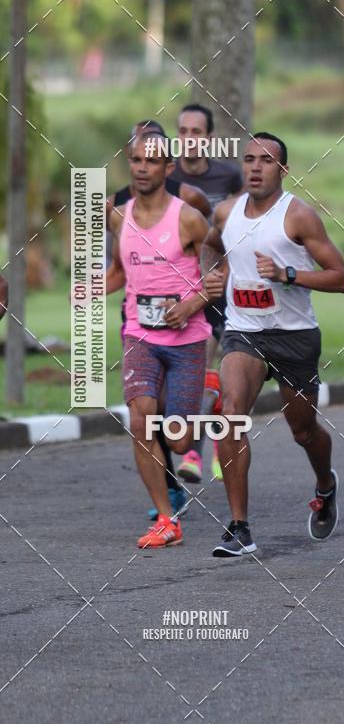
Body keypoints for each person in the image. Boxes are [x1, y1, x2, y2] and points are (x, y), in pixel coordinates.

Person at [201, 131, 344, 557]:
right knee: (230, 415)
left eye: (266, 160)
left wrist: (288, 275)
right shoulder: (226, 213)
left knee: (303, 430)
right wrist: (213, 275)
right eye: (249, 159)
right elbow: (212, 248)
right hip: (243, 331)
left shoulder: (299, 216)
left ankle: (325, 484)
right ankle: (239, 527)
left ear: (283, 170)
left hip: (295, 336)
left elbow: (340, 278)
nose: (254, 167)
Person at [107, 131, 211, 548]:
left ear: (169, 168)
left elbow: (218, 276)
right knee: (140, 420)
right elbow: (121, 272)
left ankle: (210, 398)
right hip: (139, 334)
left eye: (151, 162)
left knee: (179, 439)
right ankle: (166, 520)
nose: (142, 168)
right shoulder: (120, 216)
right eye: (135, 161)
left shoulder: (188, 218)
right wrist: (92, 287)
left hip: (187, 340)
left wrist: (188, 305)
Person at [171, 104, 242, 486]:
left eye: (196, 132)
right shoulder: (170, 177)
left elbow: (249, 220)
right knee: (198, 371)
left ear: (209, 138)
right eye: (183, 131)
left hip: (221, 283)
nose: (189, 139)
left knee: (216, 369)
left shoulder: (228, 175)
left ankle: (201, 450)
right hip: (180, 285)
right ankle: (201, 447)